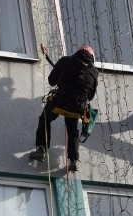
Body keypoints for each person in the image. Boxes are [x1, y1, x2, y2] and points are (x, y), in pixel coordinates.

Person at [29, 44, 99, 172]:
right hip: (77, 109)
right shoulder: (94, 72)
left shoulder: (65, 61)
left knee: (45, 119)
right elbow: (91, 95)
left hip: (59, 103)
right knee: (72, 129)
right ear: (92, 58)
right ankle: (73, 160)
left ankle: (41, 149)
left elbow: (51, 81)